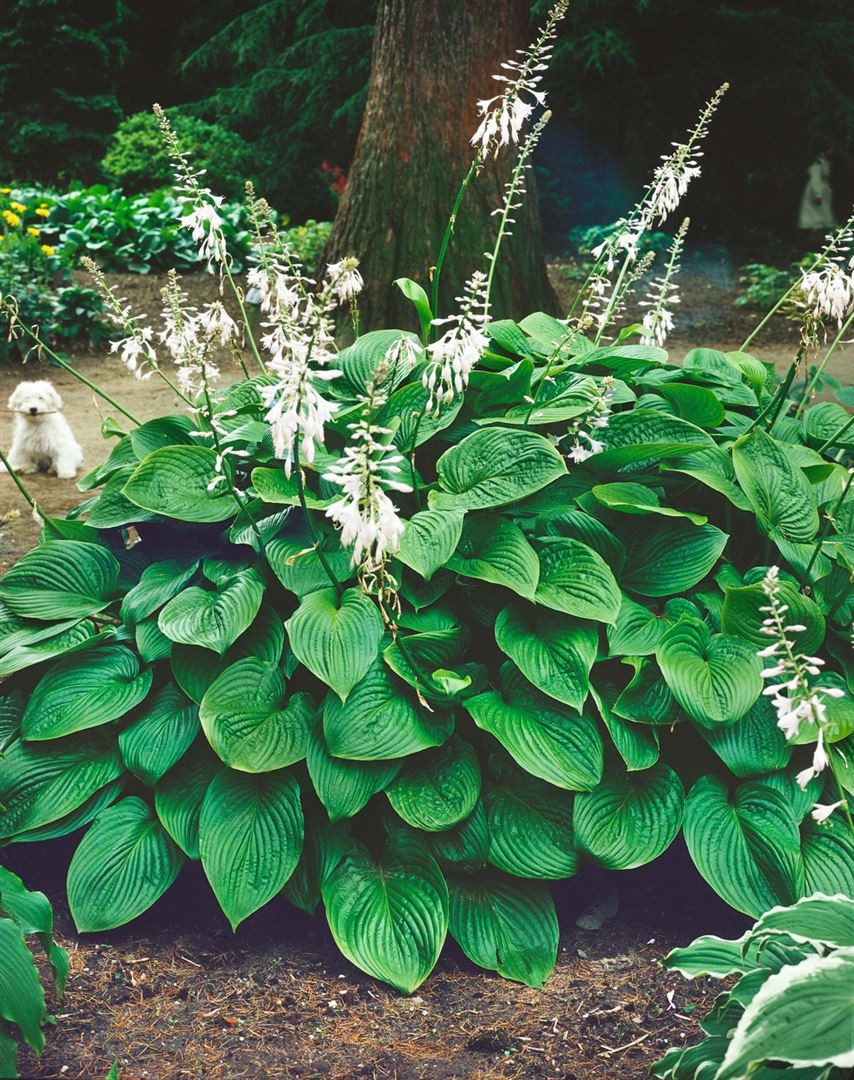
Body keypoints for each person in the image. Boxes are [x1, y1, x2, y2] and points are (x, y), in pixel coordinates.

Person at [798, 152, 837, 231]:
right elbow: (815, 180)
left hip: (823, 190)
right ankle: (817, 230)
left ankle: (822, 230)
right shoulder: (817, 164)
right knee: (816, 213)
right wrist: (818, 195)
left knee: (823, 211)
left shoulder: (825, 162)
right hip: (817, 190)